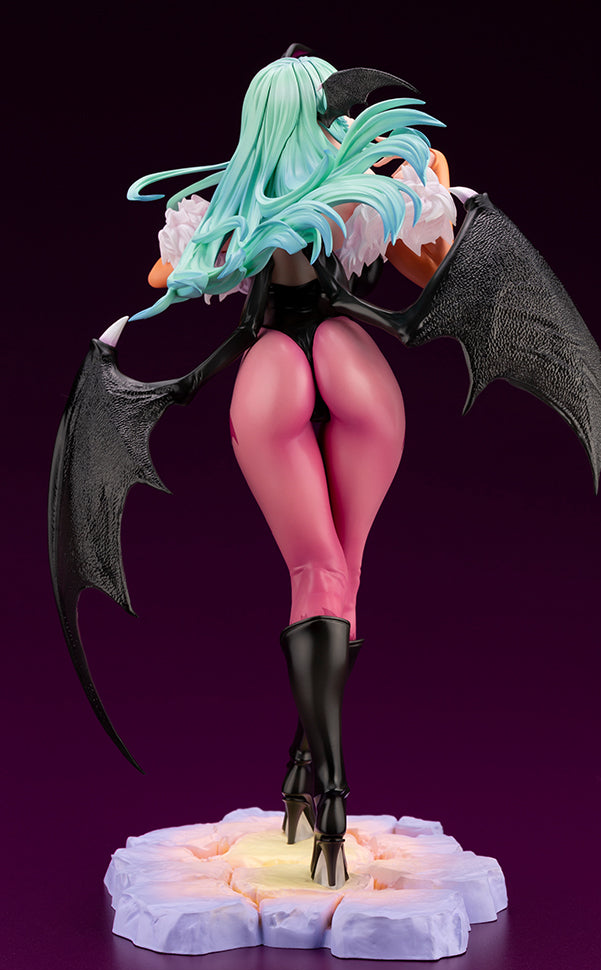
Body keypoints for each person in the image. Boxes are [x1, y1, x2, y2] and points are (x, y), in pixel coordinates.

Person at [126, 53, 457, 888]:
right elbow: (429, 263)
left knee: (318, 572)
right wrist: (432, 193)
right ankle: (314, 775)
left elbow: (167, 278)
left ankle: (322, 781)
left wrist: (209, 242)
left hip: (272, 364)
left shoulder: (228, 210)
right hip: (351, 354)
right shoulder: (363, 192)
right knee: (346, 573)